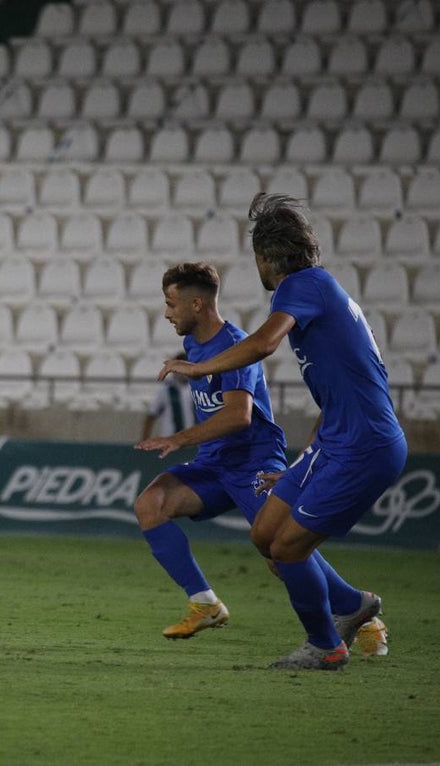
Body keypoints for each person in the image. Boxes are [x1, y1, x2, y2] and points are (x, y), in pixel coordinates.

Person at [160, 195, 407, 670]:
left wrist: (199, 368)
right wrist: (306, 461)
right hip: (336, 441)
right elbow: (341, 391)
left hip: (365, 446)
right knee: (266, 534)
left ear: (265, 257)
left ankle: (326, 646)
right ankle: (354, 605)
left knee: (289, 547)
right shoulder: (320, 291)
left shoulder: (303, 285)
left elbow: (264, 343)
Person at [134, 263, 378, 650]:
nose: (167, 313)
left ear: (196, 304)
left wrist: (179, 438)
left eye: (171, 304)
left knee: (281, 553)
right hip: (214, 464)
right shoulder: (195, 344)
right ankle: (205, 603)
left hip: (254, 464)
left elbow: (239, 416)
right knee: (151, 503)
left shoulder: (234, 344)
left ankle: (359, 612)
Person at [140, 352, 195, 441]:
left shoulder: (194, 389)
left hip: (190, 440)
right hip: (168, 440)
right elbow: (151, 415)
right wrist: (144, 438)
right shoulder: (166, 391)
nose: (182, 373)